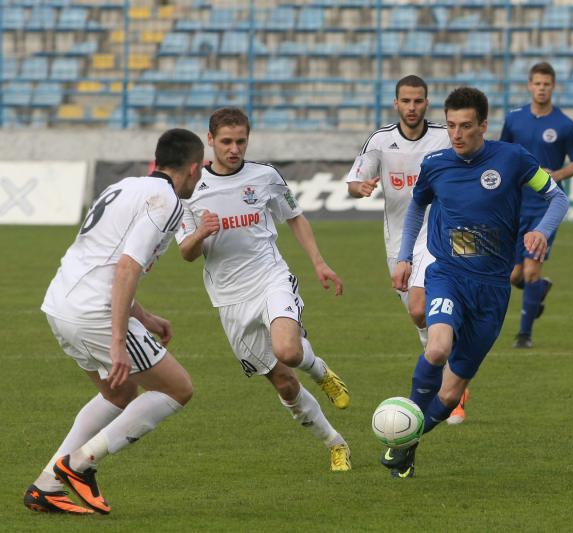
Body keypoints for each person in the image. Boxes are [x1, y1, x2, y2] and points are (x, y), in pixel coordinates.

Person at [383, 87, 569, 478]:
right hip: (448, 274)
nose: (457, 134)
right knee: (437, 348)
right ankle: (404, 433)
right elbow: (417, 206)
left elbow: (557, 198)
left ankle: (408, 440)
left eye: (466, 126)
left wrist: (542, 230)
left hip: (492, 289)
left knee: (450, 395)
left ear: (483, 126)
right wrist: (404, 257)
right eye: (451, 125)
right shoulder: (436, 164)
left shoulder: (513, 159)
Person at [24, 129, 205, 515]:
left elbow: (102, 260)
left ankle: (47, 486)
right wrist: (119, 341)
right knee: (178, 389)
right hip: (95, 312)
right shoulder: (168, 201)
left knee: (118, 395)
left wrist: (145, 316)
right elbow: (126, 267)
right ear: (193, 168)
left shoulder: (123, 186)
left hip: (60, 303)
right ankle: (79, 464)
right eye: (200, 170)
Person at [176, 107, 352, 472]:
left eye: (241, 141)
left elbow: (295, 217)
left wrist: (319, 263)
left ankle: (320, 372)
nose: (234, 149)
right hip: (229, 298)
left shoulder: (265, 176)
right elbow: (187, 254)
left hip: (270, 277)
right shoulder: (190, 190)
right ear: (210, 140)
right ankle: (335, 443)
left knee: (288, 350)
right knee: (285, 385)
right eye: (226, 141)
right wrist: (200, 234)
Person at [345, 76, 470, 424]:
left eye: (418, 101)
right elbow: (354, 181)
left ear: (426, 103)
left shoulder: (444, 136)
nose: (412, 107)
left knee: (422, 307)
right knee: (418, 316)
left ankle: (452, 389)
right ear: (396, 103)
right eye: (406, 101)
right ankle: (450, 364)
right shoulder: (380, 141)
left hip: (440, 235)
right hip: (399, 242)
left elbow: (471, 159)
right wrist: (361, 188)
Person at [499, 62, 573, 349]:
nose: (542, 88)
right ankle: (538, 290)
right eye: (537, 83)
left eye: (546, 84)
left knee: (531, 271)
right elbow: (502, 153)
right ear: (529, 85)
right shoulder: (514, 120)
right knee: (515, 275)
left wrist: (557, 175)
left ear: (553, 86)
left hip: (545, 206)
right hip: (516, 205)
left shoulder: (565, 125)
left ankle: (524, 335)